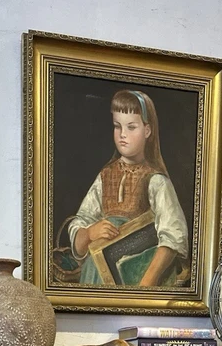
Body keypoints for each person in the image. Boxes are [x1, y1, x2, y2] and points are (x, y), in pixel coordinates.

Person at [68, 89, 190, 288]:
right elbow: (81, 223)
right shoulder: (105, 176)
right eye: (117, 126)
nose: (122, 134)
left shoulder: (156, 181)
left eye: (131, 127)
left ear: (147, 131)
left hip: (138, 274)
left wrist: (144, 286)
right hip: (96, 273)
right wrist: (89, 233)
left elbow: (173, 237)